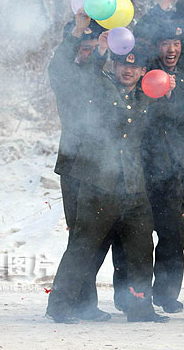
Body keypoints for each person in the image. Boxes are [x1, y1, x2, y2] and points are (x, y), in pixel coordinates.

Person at [45, 37, 172, 324]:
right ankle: (60, 306)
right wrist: (96, 49)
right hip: (98, 183)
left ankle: (140, 308)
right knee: (83, 245)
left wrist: (170, 93)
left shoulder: (145, 97)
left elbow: (162, 126)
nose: (129, 70)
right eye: (123, 65)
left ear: (142, 71)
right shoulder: (98, 86)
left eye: (135, 66)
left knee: (141, 248)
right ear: (113, 65)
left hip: (133, 186)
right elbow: (83, 73)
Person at [47, 13, 127, 321]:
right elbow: (61, 64)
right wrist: (77, 32)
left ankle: (83, 303)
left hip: (104, 167)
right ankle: (60, 304)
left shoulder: (98, 76)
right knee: (83, 238)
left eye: (91, 46)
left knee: (95, 238)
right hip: (79, 166)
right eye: (82, 47)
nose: (88, 52)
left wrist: (100, 50)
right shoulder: (65, 76)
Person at [140, 16, 184, 313]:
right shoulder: (143, 74)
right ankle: (133, 294)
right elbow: (141, 119)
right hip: (147, 169)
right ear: (156, 46)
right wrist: (160, 96)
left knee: (173, 234)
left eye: (176, 43)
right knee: (139, 235)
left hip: (180, 170)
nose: (171, 49)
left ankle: (166, 294)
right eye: (165, 43)